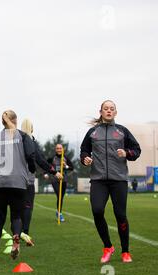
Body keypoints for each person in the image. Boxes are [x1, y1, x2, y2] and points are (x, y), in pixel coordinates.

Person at [0, 111, 62, 262]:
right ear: (15, 120)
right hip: (18, 182)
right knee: (16, 216)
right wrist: (32, 168)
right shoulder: (23, 136)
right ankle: (16, 235)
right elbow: (32, 156)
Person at [80, 100, 141, 264]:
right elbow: (84, 150)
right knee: (97, 211)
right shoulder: (92, 132)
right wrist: (84, 158)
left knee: (120, 215)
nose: (108, 111)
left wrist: (126, 153)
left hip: (118, 180)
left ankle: (125, 251)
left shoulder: (122, 131)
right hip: (98, 180)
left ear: (115, 112)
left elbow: (137, 150)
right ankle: (108, 247)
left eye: (111, 109)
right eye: (106, 109)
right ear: (100, 111)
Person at [20, 119, 58, 246]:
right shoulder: (31, 142)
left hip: (13, 179)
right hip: (27, 178)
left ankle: (16, 233)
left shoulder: (15, 141)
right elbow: (41, 160)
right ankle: (24, 232)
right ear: (31, 129)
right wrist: (54, 172)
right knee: (27, 206)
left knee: (16, 207)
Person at [45, 144, 74, 222]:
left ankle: (58, 212)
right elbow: (45, 165)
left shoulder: (65, 158)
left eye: (60, 148)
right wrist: (46, 173)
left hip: (63, 180)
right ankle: (60, 213)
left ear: (62, 149)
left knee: (61, 197)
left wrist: (66, 166)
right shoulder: (52, 158)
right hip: (54, 179)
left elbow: (72, 168)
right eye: (57, 148)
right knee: (59, 194)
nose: (59, 150)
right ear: (55, 149)